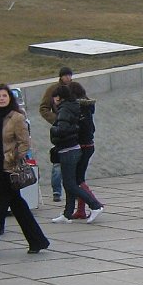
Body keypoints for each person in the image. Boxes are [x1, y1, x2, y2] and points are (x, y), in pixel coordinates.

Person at [0, 84, 50, 259]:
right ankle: (37, 240)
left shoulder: (16, 117)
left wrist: (12, 157)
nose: (1, 99)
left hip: (7, 170)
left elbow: (25, 144)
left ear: (10, 98)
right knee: (18, 206)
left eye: (4, 96)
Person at [49, 84, 105, 223]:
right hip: (76, 147)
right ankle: (69, 213)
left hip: (73, 147)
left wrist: (53, 129)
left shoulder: (68, 109)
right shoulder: (77, 107)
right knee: (72, 182)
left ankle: (95, 205)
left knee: (74, 182)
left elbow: (63, 129)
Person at [40, 67, 74, 202]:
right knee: (58, 162)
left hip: (72, 129)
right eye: (66, 75)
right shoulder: (53, 89)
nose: (68, 78)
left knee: (73, 162)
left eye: (70, 75)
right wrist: (56, 120)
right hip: (59, 130)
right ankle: (56, 191)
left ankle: (74, 190)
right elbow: (44, 108)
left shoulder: (74, 88)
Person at [69, 81, 97, 220]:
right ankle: (80, 210)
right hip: (88, 145)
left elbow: (85, 129)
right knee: (79, 178)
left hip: (82, 146)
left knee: (77, 179)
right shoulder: (86, 107)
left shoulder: (79, 109)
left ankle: (95, 203)